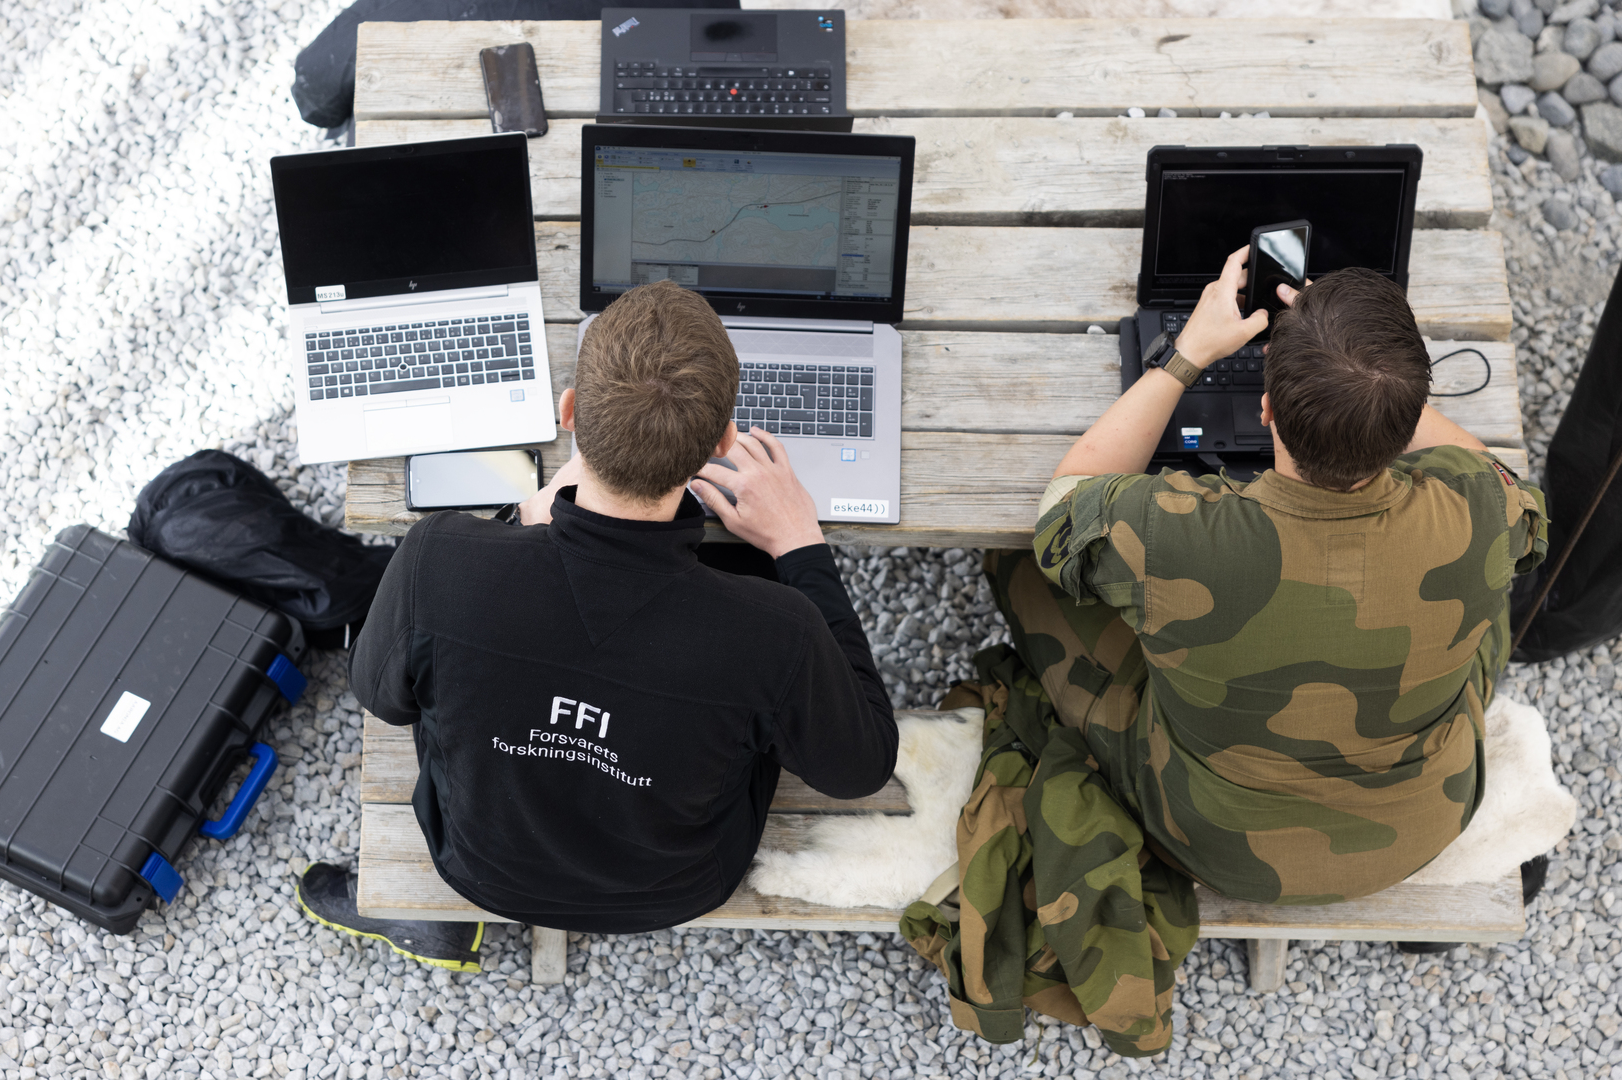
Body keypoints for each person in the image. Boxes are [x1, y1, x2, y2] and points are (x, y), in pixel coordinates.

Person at [298, 280, 897, 962]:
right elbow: (862, 767)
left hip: (477, 865)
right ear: (723, 441)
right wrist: (800, 546)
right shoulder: (776, 632)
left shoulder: (436, 559)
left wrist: (515, 527)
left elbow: (381, 697)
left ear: (569, 413)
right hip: (675, 886)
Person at [993, 248, 1549, 909]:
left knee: (1016, 564)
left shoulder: (1176, 536)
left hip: (1221, 848)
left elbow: (1060, 513)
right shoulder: (1480, 507)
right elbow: (1504, 486)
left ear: (1265, 412)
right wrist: (1371, 380)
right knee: (1490, 584)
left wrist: (1186, 356)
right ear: (1409, 428)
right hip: (1425, 823)